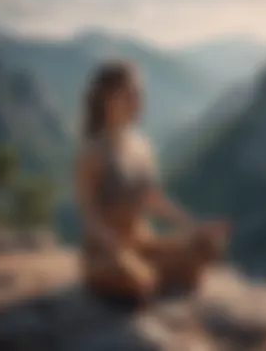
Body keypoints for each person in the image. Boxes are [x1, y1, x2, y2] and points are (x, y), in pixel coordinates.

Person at [75, 60, 229, 302]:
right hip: (106, 251)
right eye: (130, 93)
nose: (138, 100)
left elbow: (152, 199)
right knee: (134, 278)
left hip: (142, 242)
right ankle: (151, 274)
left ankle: (155, 271)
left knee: (208, 246)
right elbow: (90, 216)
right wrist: (115, 246)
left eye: (139, 93)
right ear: (107, 98)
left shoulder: (142, 145)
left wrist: (194, 225)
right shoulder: (92, 152)